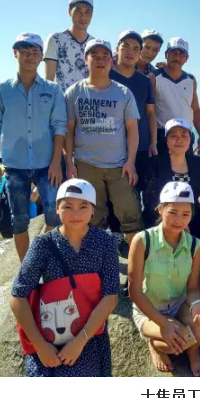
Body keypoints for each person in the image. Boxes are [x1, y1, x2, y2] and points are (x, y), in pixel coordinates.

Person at [10, 178, 119, 377]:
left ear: (93, 209)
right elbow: (18, 296)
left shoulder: (106, 242)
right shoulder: (43, 244)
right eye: (68, 207)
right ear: (57, 209)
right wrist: (40, 345)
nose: (76, 214)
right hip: (47, 336)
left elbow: (110, 296)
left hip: (89, 336)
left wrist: (79, 341)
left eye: (83, 207)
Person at [0, 32, 67, 261]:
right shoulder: (1, 89)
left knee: (55, 216)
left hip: (46, 165)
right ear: (16, 53)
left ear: (42, 56)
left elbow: (59, 127)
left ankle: (39, 253)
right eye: (25, 51)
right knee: (19, 220)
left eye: (35, 52)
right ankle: (27, 267)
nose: (30, 56)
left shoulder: (53, 90)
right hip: (14, 166)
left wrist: (56, 162)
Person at [64, 38, 143, 244]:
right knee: (91, 216)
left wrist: (131, 162)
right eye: (95, 56)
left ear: (111, 60)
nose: (100, 60)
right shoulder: (74, 92)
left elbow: (132, 130)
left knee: (130, 214)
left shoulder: (124, 93)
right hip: (86, 164)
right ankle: (93, 256)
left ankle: (136, 257)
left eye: (105, 56)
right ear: (86, 59)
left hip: (119, 166)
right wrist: (69, 163)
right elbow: (68, 131)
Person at [128, 181, 200, 376]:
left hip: (178, 305)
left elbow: (192, 288)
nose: (179, 220)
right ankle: (154, 345)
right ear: (160, 209)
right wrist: (163, 324)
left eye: (185, 214)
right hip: (149, 309)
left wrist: (197, 304)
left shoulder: (194, 245)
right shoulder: (142, 240)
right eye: (173, 212)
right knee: (175, 341)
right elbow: (134, 291)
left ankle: (193, 352)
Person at [143, 118, 200, 246]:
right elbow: (150, 201)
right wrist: (177, 223)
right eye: (173, 136)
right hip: (160, 216)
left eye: (184, 135)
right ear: (166, 140)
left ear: (190, 139)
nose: (179, 139)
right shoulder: (154, 164)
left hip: (191, 215)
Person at [110, 30, 158, 188]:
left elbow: (150, 113)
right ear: (117, 48)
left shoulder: (145, 81)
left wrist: (153, 143)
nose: (130, 52)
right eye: (126, 47)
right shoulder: (105, 76)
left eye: (136, 48)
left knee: (136, 192)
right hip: (111, 148)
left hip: (140, 147)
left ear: (139, 53)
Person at [150, 37, 200, 156]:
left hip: (186, 136)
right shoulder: (154, 77)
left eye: (181, 54)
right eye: (173, 53)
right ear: (166, 54)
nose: (177, 57)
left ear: (186, 58)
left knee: (186, 168)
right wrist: (152, 141)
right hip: (162, 137)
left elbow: (195, 110)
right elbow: (150, 111)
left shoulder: (191, 80)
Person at [43, 0, 95, 92]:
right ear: (69, 11)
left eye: (87, 12)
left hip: (88, 101)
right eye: (78, 11)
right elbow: (49, 81)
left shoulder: (94, 44)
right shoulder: (55, 40)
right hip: (60, 100)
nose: (83, 17)